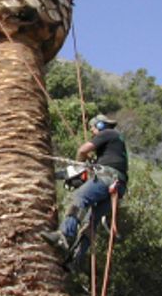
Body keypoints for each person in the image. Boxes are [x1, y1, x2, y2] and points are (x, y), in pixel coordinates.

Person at [42, 114, 128, 270]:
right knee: (91, 222)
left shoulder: (107, 133)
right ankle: (74, 261)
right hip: (118, 187)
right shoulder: (113, 146)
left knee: (79, 197)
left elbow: (82, 150)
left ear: (100, 125)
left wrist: (79, 166)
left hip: (107, 178)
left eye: (93, 128)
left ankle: (65, 235)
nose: (93, 132)